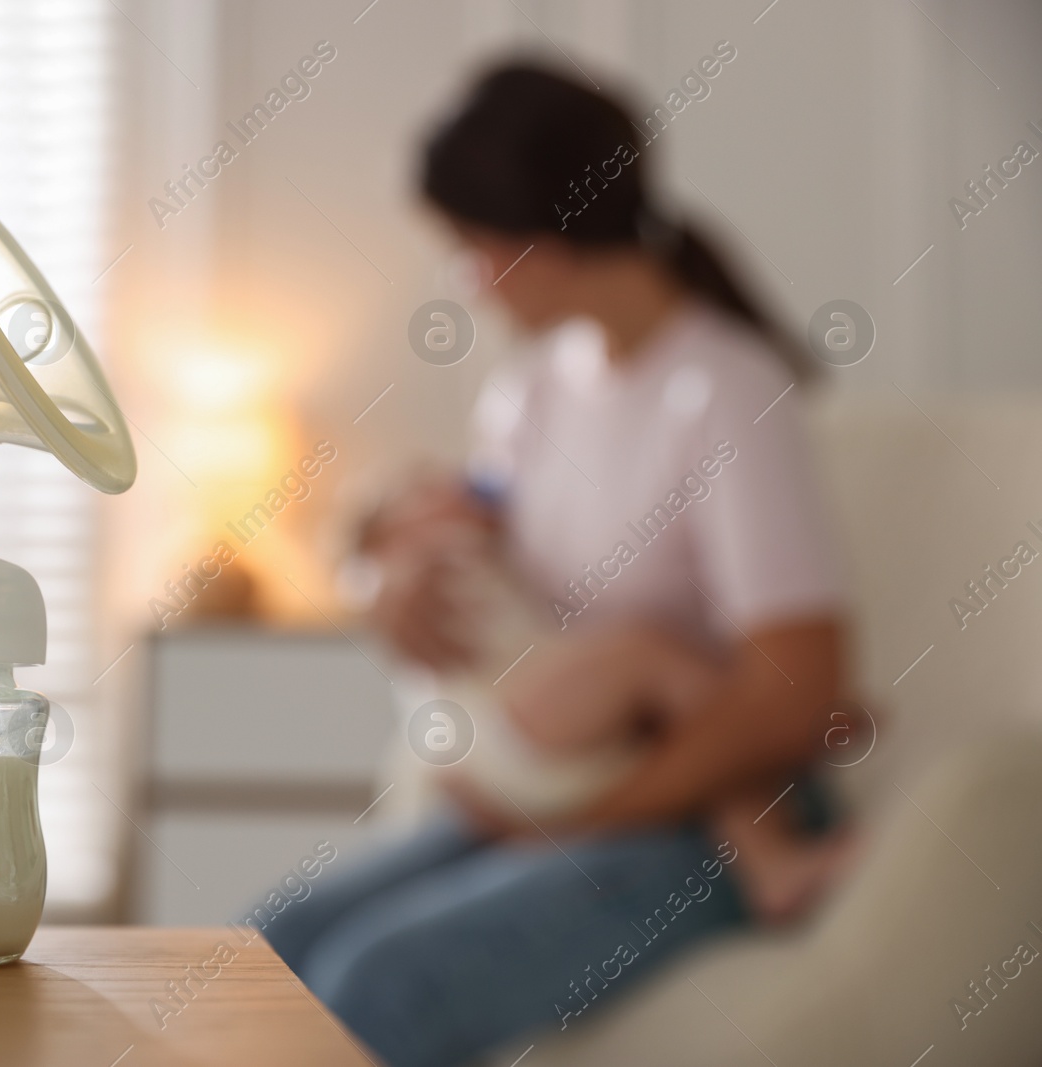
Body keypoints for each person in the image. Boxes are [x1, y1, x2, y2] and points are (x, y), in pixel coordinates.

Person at [262, 62, 852, 1067]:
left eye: (466, 246)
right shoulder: (531, 390)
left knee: (382, 979)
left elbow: (796, 693)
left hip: (703, 802)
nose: (463, 278)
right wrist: (389, 590)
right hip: (567, 777)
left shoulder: (723, 390)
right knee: (268, 951)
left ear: (533, 241)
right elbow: (468, 552)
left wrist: (573, 816)